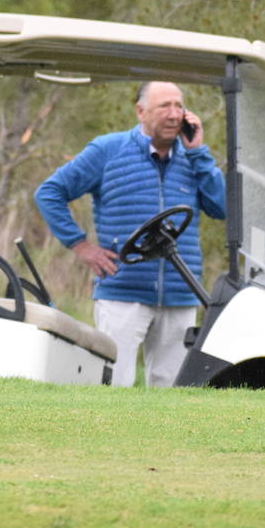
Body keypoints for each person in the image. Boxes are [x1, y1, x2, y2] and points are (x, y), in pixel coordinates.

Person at [34, 81, 226, 387]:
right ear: (141, 111)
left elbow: (222, 207)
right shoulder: (108, 150)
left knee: (171, 391)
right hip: (122, 293)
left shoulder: (194, 159)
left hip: (179, 294)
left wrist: (199, 152)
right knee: (115, 384)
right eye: (165, 106)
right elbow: (49, 193)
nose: (174, 115)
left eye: (179, 106)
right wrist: (81, 246)